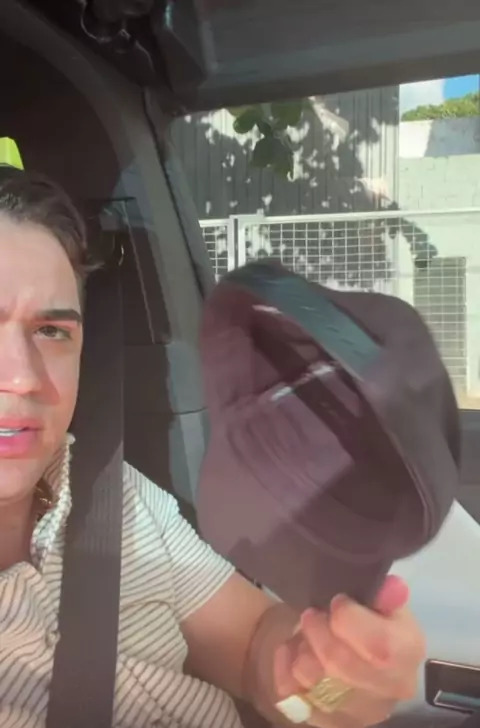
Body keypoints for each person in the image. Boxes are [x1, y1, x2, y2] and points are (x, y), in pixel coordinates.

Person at [0, 166, 425, 728]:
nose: (23, 377)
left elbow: (253, 646)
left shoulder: (108, 492)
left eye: (51, 331)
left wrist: (325, 672)